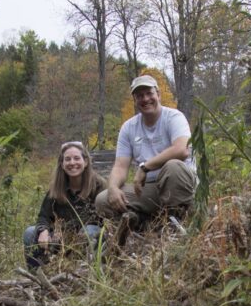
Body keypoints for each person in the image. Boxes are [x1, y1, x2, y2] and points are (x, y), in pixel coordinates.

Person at [95, 75, 197, 243]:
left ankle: (178, 225)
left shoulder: (174, 117)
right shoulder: (129, 127)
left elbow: (182, 149)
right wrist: (113, 187)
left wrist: (144, 167)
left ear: (158, 94)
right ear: (135, 100)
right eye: (139, 96)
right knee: (103, 200)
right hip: (150, 188)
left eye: (149, 93)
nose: (145, 99)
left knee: (173, 167)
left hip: (180, 184)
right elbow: (120, 166)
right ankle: (143, 225)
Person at [23, 142, 105, 271]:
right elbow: (44, 216)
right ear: (62, 164)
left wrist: (66, 231)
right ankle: (37, 274)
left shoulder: (99, 185)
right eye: (67, 159)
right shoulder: (56, 187)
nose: (72, 163)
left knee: (89, 231)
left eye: (77, 158)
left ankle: (85, 273)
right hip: (60, 239)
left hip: (88, 235)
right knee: (29, 233)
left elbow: (104, 220)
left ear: (86, 161)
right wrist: (43, 230)